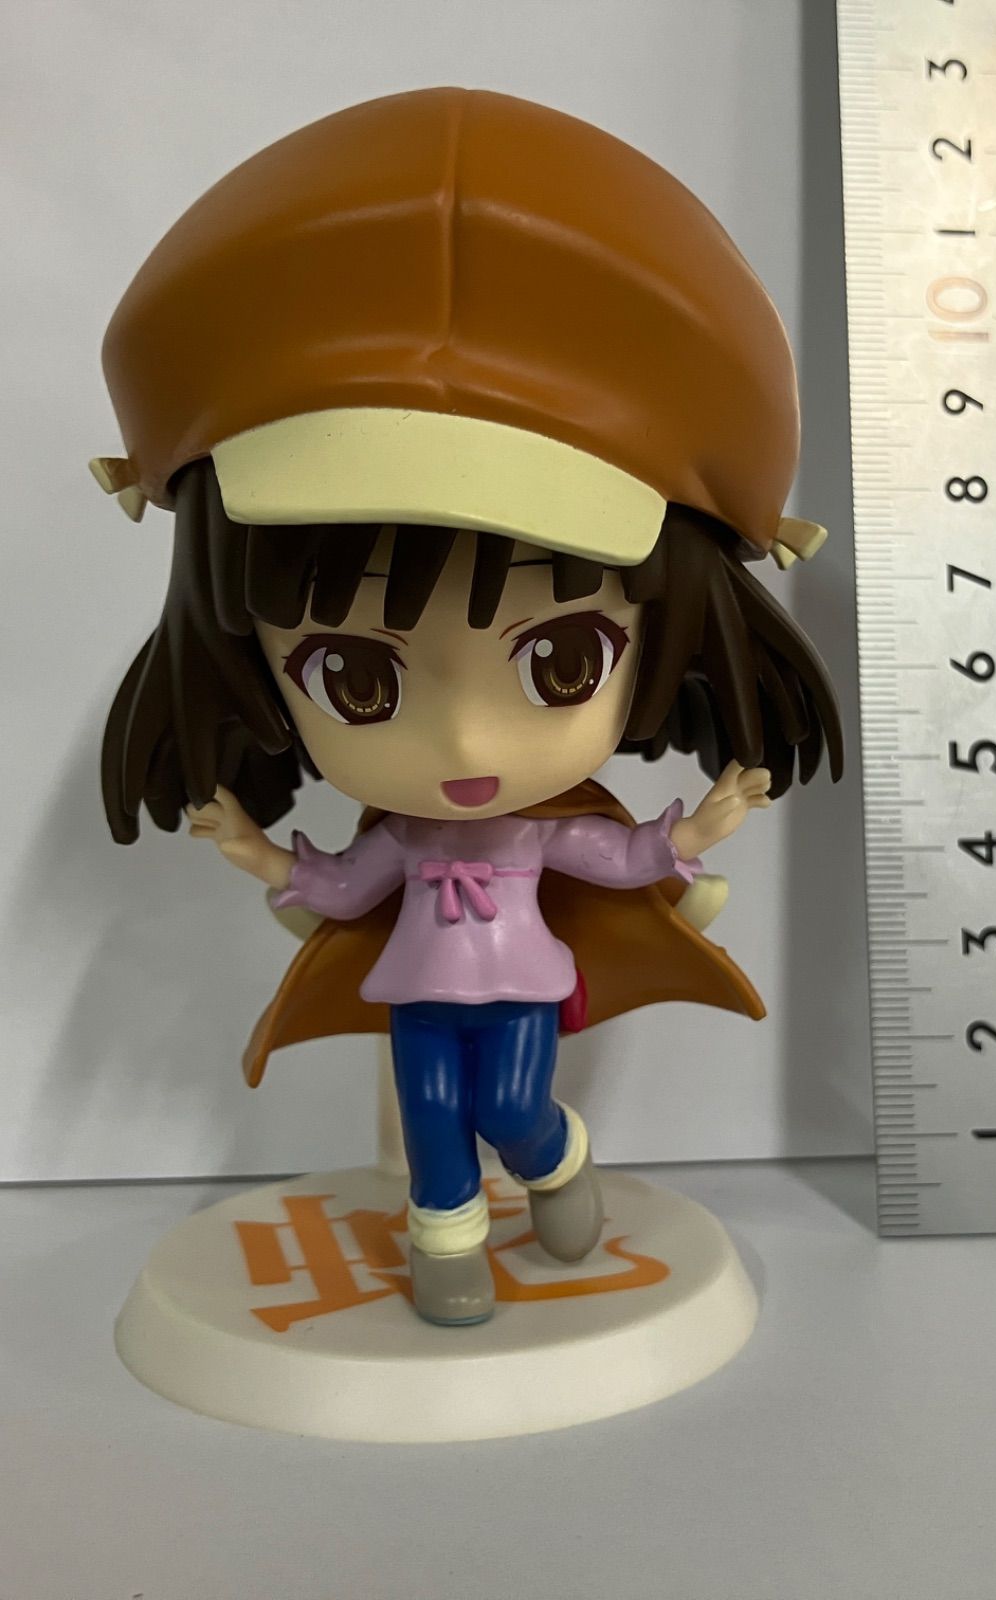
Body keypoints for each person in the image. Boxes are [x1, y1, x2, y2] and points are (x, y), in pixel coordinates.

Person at [92, 88, 843, 1325]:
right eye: (358, 679)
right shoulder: (404, 840)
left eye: (561, 663)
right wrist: (259, 852)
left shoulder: (532, 836)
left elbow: (608, 854)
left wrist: (694, 833)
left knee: (509, 1104)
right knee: (434, 1109)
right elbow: (344, 884)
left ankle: (553, 1157)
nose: (465, 745)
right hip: (420, 992)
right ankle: (447, 1234)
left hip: (525, 986)